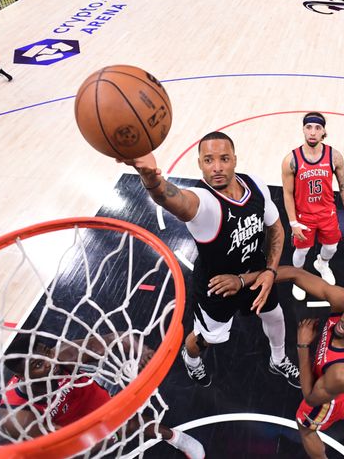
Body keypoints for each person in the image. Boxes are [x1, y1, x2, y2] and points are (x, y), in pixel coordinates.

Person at [121, 131, 300, 388]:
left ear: (235, 160)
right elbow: (171, 198)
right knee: (209, 339)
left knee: (275, 316)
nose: (216, 167)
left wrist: (270, 271)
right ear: (199, 163)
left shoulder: (256, 185)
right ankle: (191, 359)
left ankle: (279, 359)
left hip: (256, 274)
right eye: (208, 160)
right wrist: (151, 179)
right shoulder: (202, 202)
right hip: (217, 288)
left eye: (224, 159)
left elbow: (276, 229)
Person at [210, 266, 344, 459]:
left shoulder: (343, 373)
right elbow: (295, 274)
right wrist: (243, 280)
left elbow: (311, 397)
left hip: (331, 399)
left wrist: (303, 346)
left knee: (305, 427)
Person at [0, 332, 205, 458]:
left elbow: (116, 339)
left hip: (97, 405)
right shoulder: (19, 416)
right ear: (22, 375)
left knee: (141, 424)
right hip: (66, 432)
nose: (49, 362)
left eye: (47, 352)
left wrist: (142, 351)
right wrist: (103, 437)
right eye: (38, 365)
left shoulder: (63, 355)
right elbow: (61, 448)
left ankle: (174, 437)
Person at [280, 112, 344, 300]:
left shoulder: (334, 156)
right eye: (309, 127)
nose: (312, 132)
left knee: (331, 247)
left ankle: (322, 264)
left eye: (317, 128)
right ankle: (297, 278)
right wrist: (292, 223)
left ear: (323, 131)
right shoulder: (291, 160)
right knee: (301, 251)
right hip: (303, 215)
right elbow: (288, 193)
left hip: (327, 212)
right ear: (303, 130)